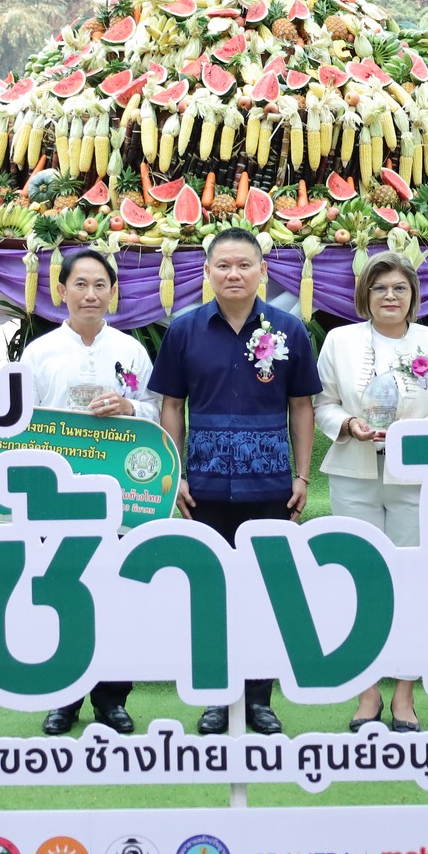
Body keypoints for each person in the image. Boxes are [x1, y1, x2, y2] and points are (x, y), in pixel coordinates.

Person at [149, 228, 320, 736]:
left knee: (265, 590)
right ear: (206, 272)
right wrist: (174, 472)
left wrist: (303, 474)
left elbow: (302, 407)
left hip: (270, 485)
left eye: (244, 265)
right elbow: (172, 406)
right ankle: (218, 699)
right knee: (213, 593)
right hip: (202, 485)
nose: (233, 274)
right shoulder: (183, 330)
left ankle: (260, 699)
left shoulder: (289, 329)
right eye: (222, 265)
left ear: (262, 270)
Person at [314, 252, 428, 733]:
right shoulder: (339, 340)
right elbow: (323, 404)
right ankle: (366, 693)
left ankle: (404, 695)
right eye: (380, 288)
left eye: (400, 288)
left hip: (415, 480)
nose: (391, 297)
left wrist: (413, 433)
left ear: (413, 295)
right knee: (359, 580)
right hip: (353, 475)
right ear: (365, 296)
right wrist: (348, 424)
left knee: (411, 582)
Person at [24, 249, 156, 736]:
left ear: (112, 293)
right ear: (61, 291)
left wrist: (128, 407)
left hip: (119, 493)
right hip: (58, 495)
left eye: (100, 284)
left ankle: (112, 698)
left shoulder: (132, 350)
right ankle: (63, 696)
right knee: (61, 594)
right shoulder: (39, 353)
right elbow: (23, 423)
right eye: (80, 284)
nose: (90, 294)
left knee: (116, 593)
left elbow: (157, 412)